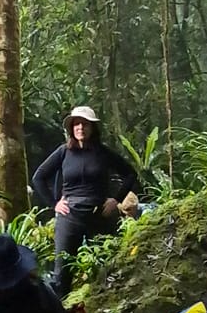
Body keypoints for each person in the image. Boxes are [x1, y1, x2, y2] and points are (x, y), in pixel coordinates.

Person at [29, 104, 143, 289]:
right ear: (71, 128)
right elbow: (38, 178)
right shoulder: (64, 152)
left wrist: (116, 200)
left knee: (107, 268)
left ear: (92, 128)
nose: (80, 127)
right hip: (70, 216)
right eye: (76, 124)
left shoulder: (103, 153)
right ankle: (60, 306)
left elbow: (130, 174)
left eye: (85, 124)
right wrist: (54, 203)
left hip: (100, 215)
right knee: (62, 273)